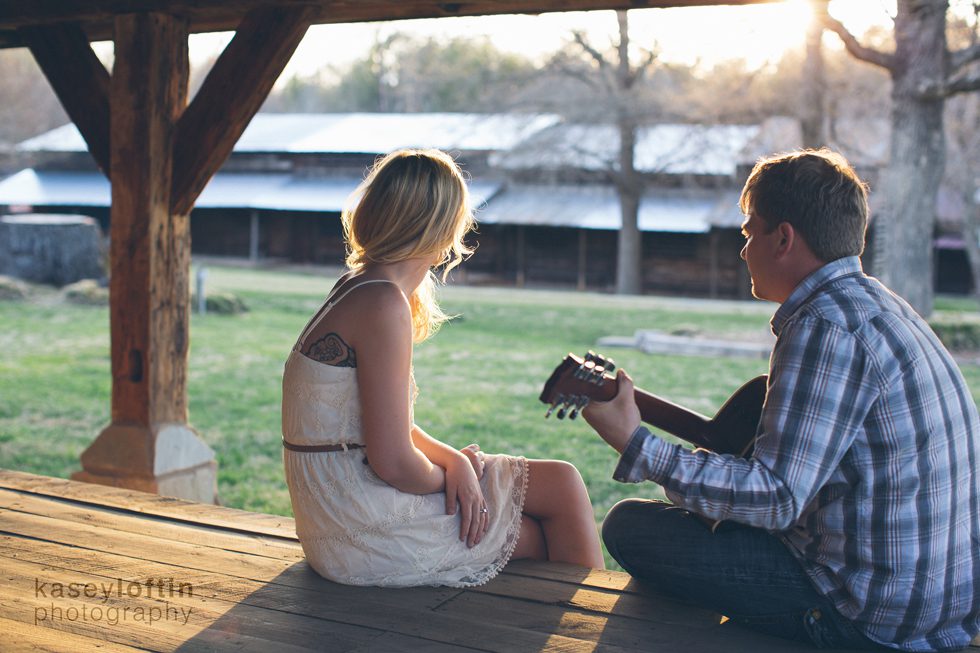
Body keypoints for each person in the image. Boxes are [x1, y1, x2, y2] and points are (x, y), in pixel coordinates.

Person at [584, 149, 980, 651]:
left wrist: (637, 443)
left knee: (631, 527)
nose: (743, 250)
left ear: (784, 238)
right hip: (942, 603)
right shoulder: (880, 304)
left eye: (749, 233)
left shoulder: (824, 326)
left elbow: (776, 497)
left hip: (866, 616)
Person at [282, 148, 603, 588]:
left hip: (337, 514)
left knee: (562, 484)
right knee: (539, 533)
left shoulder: (359, 288)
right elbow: (393, 461)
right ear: (444, 229)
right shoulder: (381, 302)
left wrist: (455, 462)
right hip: (356, 528)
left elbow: (374, 425)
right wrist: (461, 482)